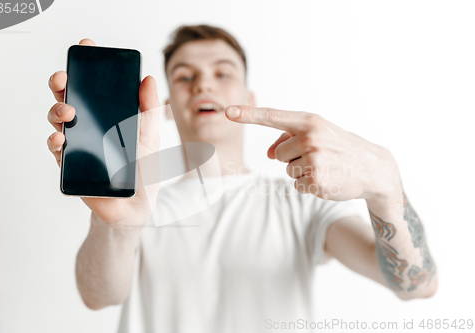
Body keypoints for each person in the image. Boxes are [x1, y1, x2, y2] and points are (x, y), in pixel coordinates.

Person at [46, 25, 438, 332]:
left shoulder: (300, 200)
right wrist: (116, 225)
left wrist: (386, 188)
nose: (203, 84)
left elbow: (416, 286)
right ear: (166, 107)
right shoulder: (143, 204)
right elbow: (97, 296)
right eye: (184, 77)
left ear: (249, 97)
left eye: (222, 72)